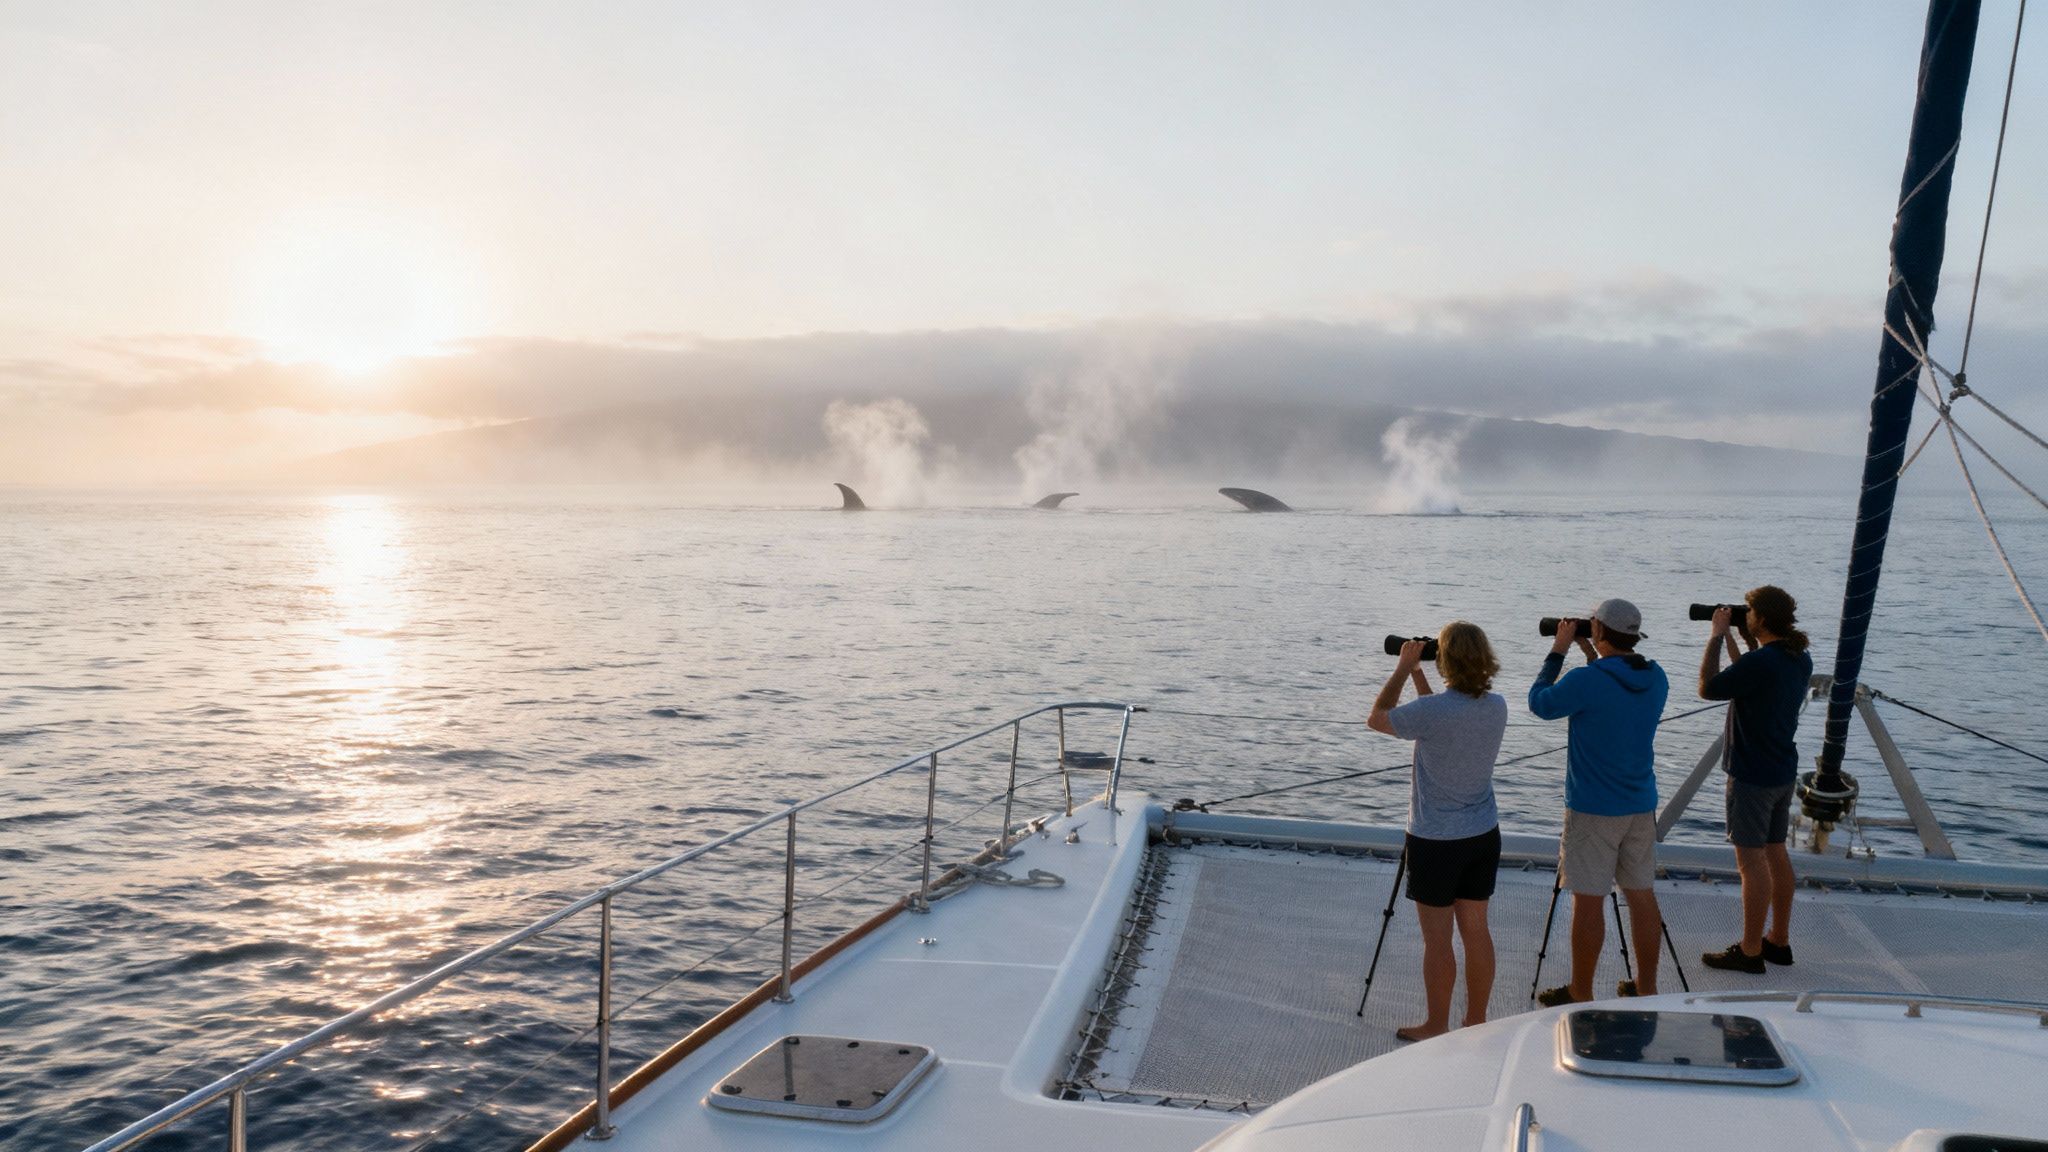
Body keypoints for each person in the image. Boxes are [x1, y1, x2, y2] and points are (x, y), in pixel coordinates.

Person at [1366, 621, 1508, 1041]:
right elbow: (1439, 717)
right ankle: (1476, 1020)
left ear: (1444, 658)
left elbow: (1378, 719)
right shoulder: (1496, 705)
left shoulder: (1432, 714)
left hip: (1435, 840)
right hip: (1482, 833)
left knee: (1438, 939)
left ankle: (1435, 1025)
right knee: (1476, 929)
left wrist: (1402, 667)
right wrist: (1418, 674)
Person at [1527, 599, 1668, 1006]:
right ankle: (1646, 987)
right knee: (1641, 895)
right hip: (1640, 805)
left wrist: (1558, 649)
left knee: (1588, 900)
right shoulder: (1656, 677)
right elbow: (1612, 681)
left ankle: (1581, 991)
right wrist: (1592, 651)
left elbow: (1541, 703)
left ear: (1599, 630)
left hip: (1592, 808)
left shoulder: (1585, 681)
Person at [1696, 585, 1812, 973]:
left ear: (1760, 617)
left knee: (1751, 863)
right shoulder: (1797, 658)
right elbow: (1754, 672)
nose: (1745, 615)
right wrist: (1743, 637)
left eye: (1749, 612)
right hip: (1780, 771)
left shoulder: (1764, 663)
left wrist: (1716, 635)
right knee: (1776, 853)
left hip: (1751, 776)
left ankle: (1749, 950)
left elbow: (1708, 687)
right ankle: (1778, 940)